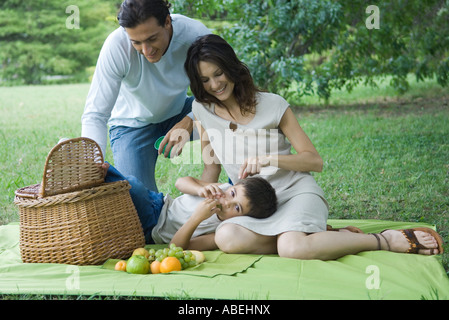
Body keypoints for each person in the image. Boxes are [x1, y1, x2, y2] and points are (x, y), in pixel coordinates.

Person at [184, 34, 444, 259]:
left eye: (218, 73)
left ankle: (382, 239)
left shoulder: (272, 104)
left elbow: (313, 161)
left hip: (293, 192)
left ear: (231, 68)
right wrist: (198, 211)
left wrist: (269, 159)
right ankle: (322, 237)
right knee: (227, 236)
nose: (215, 85)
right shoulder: (201, 110)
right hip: (253, 206)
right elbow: (211, 168)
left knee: (292, 248)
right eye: (205, 80)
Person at [81, 0, 211, 192]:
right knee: (141, 203)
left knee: (235, 121)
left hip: (181, 112)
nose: (146, 50)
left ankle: (242, 194)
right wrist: (93, 163)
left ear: (167, 21)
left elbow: (223, 89)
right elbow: (95, 115)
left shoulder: (195, 35)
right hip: (131, 126)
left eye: (152, 39)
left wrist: (191, 119)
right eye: (136, 42)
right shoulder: (116, 46)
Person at [103, 163, 278, 250]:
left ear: (242, 220)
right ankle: (97, 172)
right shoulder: (220, 188)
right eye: (232, 193)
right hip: (157, 205)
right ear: (233, 186)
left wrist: (196, 218)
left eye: (236, 208)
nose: (226, 201)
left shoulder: (219, 230)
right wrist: (199, 188)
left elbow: (176, 247)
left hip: (152, 231)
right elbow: (181, 182)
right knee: (133, 186)